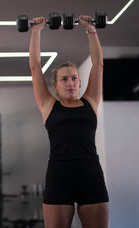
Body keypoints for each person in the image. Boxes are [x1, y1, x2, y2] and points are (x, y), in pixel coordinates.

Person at [28, 15, 109, 228]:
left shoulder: (90, 101)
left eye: (74, 78)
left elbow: (98, 64)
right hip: (59, 177)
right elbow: (35, 67)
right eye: (64, 79)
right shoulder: (48, 106)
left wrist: (91, 30)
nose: (71, 83)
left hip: (91, 175)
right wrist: (36, 32)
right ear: (55, 85)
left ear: (80, 82)